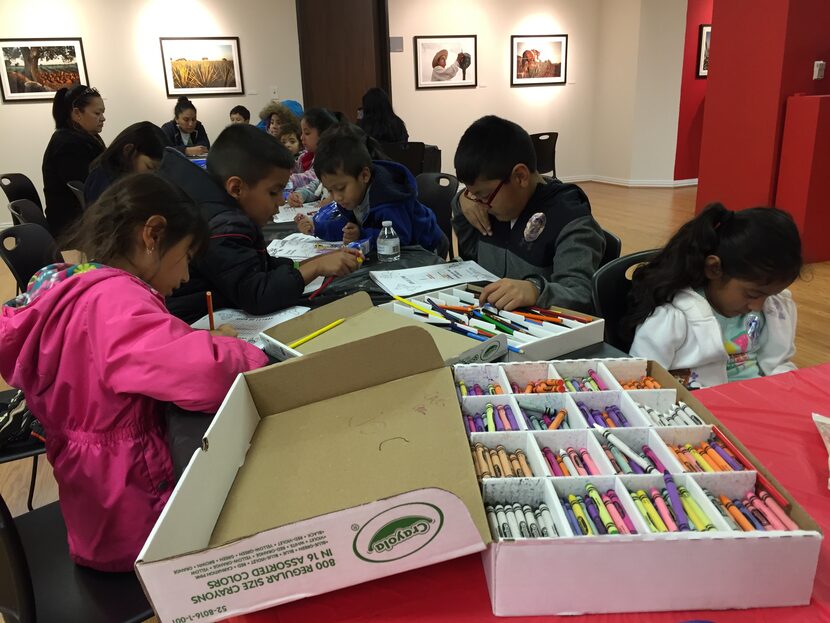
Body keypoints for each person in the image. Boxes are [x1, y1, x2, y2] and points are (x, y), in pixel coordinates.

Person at [0, 173, 267, 572]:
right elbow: (206, 375)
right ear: (152, 236)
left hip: (93, 505)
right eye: (187, 257)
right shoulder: (116, 302)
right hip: (136, 524)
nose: (187, 277)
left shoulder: (68, 282)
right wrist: (248, 352)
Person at [160, 124, 361, 323]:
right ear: (236, 188)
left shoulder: (218, 213)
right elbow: (258, 295)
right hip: (195, 324)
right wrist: (316, 267)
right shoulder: (223, 227)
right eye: (273, 192)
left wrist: (316, 262)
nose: (281, 201)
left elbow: (260, 266)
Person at [626, 204, 802, 388]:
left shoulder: (771, 310)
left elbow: (777, 364)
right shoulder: (673, 318)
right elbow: (642, 381)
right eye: (752, 294)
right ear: (714, 268)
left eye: (769, 295)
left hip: (759, 401)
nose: (758, 306)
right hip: (698, 409)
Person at [452, 115, 605, 312]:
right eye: (472, 195)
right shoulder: (488, 205)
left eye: (485, 195)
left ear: (520, 176)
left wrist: (536, 290)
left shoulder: (570, 219)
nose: (480, 203)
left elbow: (582, 295)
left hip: (538, 333)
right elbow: (470, 260)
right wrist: (461, 200)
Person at [295, 124, 445, 254]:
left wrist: (361, 235)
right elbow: (346, 229)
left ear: (364, 175)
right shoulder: (353, 196)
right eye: (331, 191)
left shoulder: (388, 200)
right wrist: (316, 228)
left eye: (341, 188)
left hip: (427, 248)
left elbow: (400, 238)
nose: (337, 197)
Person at [42, 84, 106, 238]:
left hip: (79, 218)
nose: (103, 118)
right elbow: (90, 187)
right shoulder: (67, 145)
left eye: (102, 113)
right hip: (70, 225)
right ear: (77, 113)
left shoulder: (83, 137)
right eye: (97, 113)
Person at [85, 121, 169, 205]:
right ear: (128, 150)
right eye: (150, 167)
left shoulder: (112, 173)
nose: (153, 175)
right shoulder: (106, 183)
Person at [286, 108, 340, 207]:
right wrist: (300, 194)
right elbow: (315, 185)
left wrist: (286, 180)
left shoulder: (335, 160)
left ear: (324, 133)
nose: (301, 137)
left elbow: (311, 176)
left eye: (307, 133)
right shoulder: (305, 157)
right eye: (301, 133)